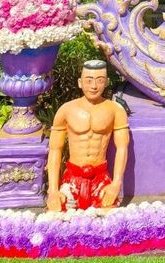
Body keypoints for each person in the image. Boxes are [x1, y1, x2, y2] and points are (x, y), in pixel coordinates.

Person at [46, 60, 130, 211]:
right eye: (88, 80)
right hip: (72, 178)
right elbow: (55, 150)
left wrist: (116, 183)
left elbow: (122, 148)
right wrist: (53, 190)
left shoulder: (115, 110)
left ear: (107, 82)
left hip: (100, 178)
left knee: (109, 219)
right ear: (80, 82)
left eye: (100, 80)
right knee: (58, 215)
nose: (94, 86)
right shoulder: (66, 110)